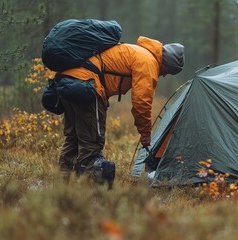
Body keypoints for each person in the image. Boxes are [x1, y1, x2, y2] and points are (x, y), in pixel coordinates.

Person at [58, 36, 184, 182]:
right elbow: (141, 102)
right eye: (167, 71)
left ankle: (63, 184)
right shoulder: (148, 62)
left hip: (68, 81)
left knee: (73, 138)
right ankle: (87, 189)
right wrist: (145, 133)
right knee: (92, 142)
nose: (164, 75)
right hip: (88, 87)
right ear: (167, 64)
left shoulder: (139, 53)